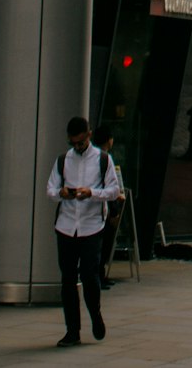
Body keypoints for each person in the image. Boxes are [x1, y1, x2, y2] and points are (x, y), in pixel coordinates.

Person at [46, 116, 119, 349]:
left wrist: (92, 193)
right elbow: (50, 190)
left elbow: (114, 190)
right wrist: (63, 193)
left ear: (88, 135)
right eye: (72, 143)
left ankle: (95, 315)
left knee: (89, 276)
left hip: (91, 226)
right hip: (66, 226)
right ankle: (72, 331)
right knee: (67, 279)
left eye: (79, 142)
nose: (76, 147)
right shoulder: (62, 161)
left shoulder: (103, 160)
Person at [90, 126, 125, 290]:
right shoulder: (104, 159)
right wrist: (114, 210)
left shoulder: (93, 158)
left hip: (95, 208)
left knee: (100, 246)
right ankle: (98, 276)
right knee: (103, 245)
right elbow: (109, 187)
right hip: (103, 208)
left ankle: (99, 275)